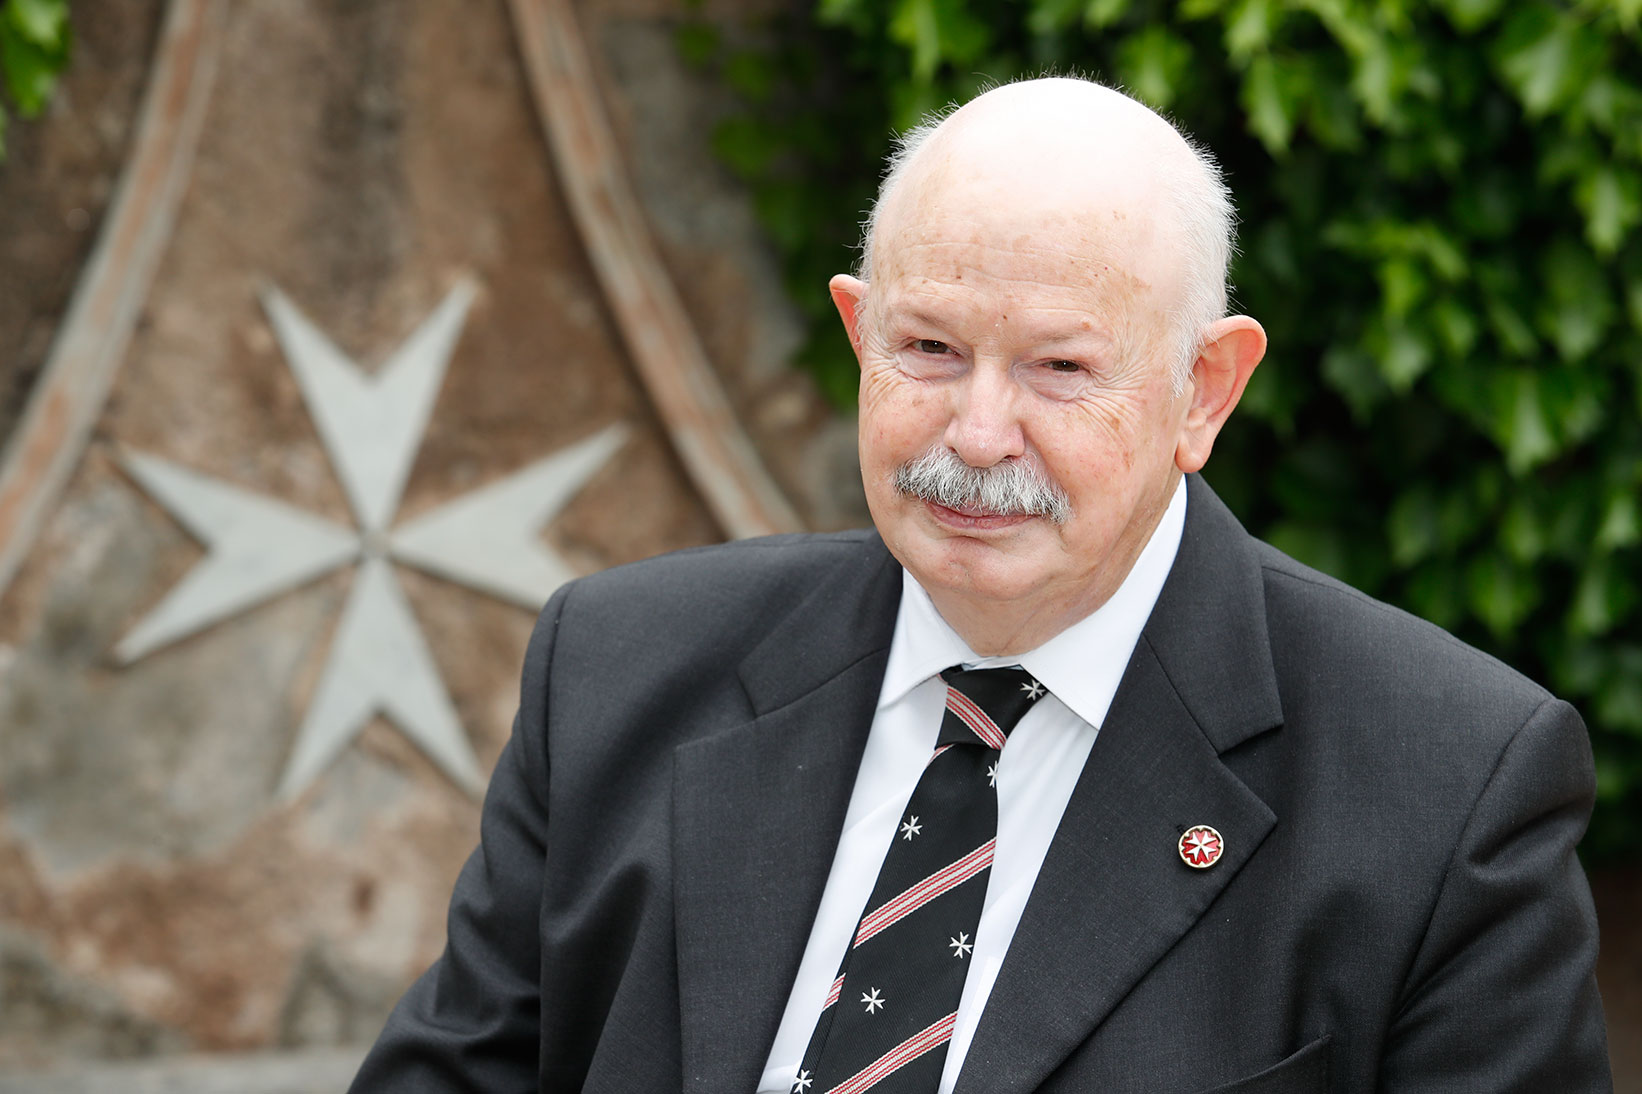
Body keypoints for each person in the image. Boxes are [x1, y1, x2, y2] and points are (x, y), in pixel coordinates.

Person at [350, 77, 1610, 1092]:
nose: (976, 433)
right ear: (856, 330)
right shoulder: (621, 665)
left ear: (1204, 390)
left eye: (1060, 367)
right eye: (929, 349)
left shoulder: (1447, 786)